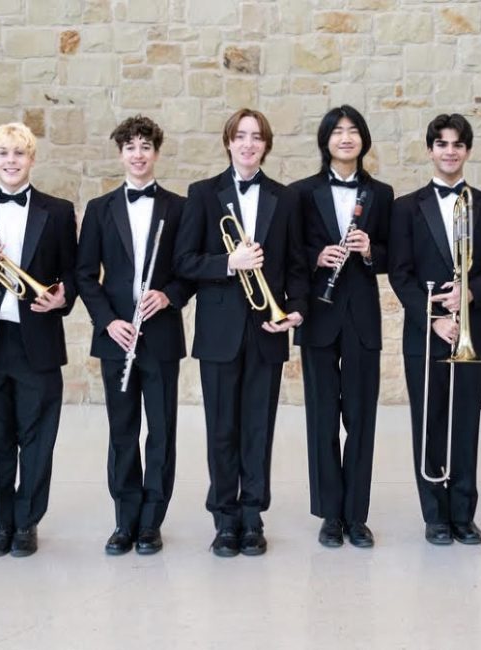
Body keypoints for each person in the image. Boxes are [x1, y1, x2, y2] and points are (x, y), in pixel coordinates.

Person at [173, 108, 307, 557]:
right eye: (240, 136)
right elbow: (185, 262)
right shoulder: (202, 194)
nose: (248, 144)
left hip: (267, 328)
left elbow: (294, 267)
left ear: (266, 145)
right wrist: (229, 263)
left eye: (257, 137)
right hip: (219, 330)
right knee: (221, 429)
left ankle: (253, 516)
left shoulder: (284, 198)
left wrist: (294, 311)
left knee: (257, 427)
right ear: (228, 142)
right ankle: (224, 518)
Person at [0, 122, 77, 558]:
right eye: (3, 153)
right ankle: (0, 523)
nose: (11, 161)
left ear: (32, 159)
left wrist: (63, 298)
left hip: (37, 339)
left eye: (19, 154)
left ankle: (27, 523)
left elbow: (72, 274)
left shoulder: (58, 210)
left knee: (38, 437)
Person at [388, 113, 481, 546]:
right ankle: (434, 514)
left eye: (458, 144)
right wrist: (433, 317)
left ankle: (463, 512)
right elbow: (399, 274)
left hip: (474, 327)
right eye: (441, 144)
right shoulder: (405, 207)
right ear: (430, 150)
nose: (450, 151)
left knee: (466, 423)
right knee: (430, 420)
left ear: (468, 151)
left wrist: (471, 293)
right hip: (425, 333)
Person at [76, 115, 193, 556]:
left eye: (146, 146)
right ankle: (125, 520)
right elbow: (86, 275)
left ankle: (151, 522)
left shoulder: (179, 208)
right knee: (122, 429)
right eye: (131, 147)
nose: (138, 154)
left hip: (160, 334)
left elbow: (189, 272)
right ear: (120, 153)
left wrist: (168, 296)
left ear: (156, 153)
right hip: (118, 336)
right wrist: (108, 321)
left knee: (161, 430)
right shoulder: (100, 208)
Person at [290, 105, 393, 549]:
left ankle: (357, 515)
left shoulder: (382, 194)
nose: (346, 138)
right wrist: (316, 257)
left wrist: (370, 251)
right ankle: (330, 514)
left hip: (362, 318)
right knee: (322, 418)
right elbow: (290, 253)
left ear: (363, 140)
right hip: (318, 313)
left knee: (361, 418)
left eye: (353, 131)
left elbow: (395, 255)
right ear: (325, 140)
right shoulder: (300, 192)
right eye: (337, 131)